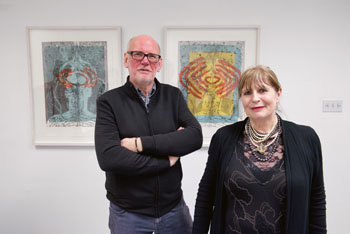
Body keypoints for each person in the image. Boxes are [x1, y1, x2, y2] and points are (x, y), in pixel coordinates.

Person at [192, 65, 326, 234]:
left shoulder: (306, 138)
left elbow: (317, 200)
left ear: (278, 94)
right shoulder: (223, 137)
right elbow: (206, 195)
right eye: (247, 93)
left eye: (262, 90)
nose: (255, 98)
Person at [94, 35, 203, 234]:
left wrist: (139, 144)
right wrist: (165, 161)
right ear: (126, 60)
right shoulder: (109, 102)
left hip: (174, 209)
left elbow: (195, 136)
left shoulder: (173, 96)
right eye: (138, 54)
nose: (145, 61)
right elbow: (109, 157)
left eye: (152, 56)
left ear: (159, 64)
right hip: (128, 214)